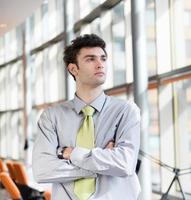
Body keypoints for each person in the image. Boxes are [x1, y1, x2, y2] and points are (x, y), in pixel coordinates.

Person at [32, 34, 141, 200]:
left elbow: (125, 164)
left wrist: (71, 154)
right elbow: (42, 170)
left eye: (103, 59)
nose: (100, 64)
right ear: (73, 69)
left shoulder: (126, 111)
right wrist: (100, 162)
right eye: (90, 59)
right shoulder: (51, 117)